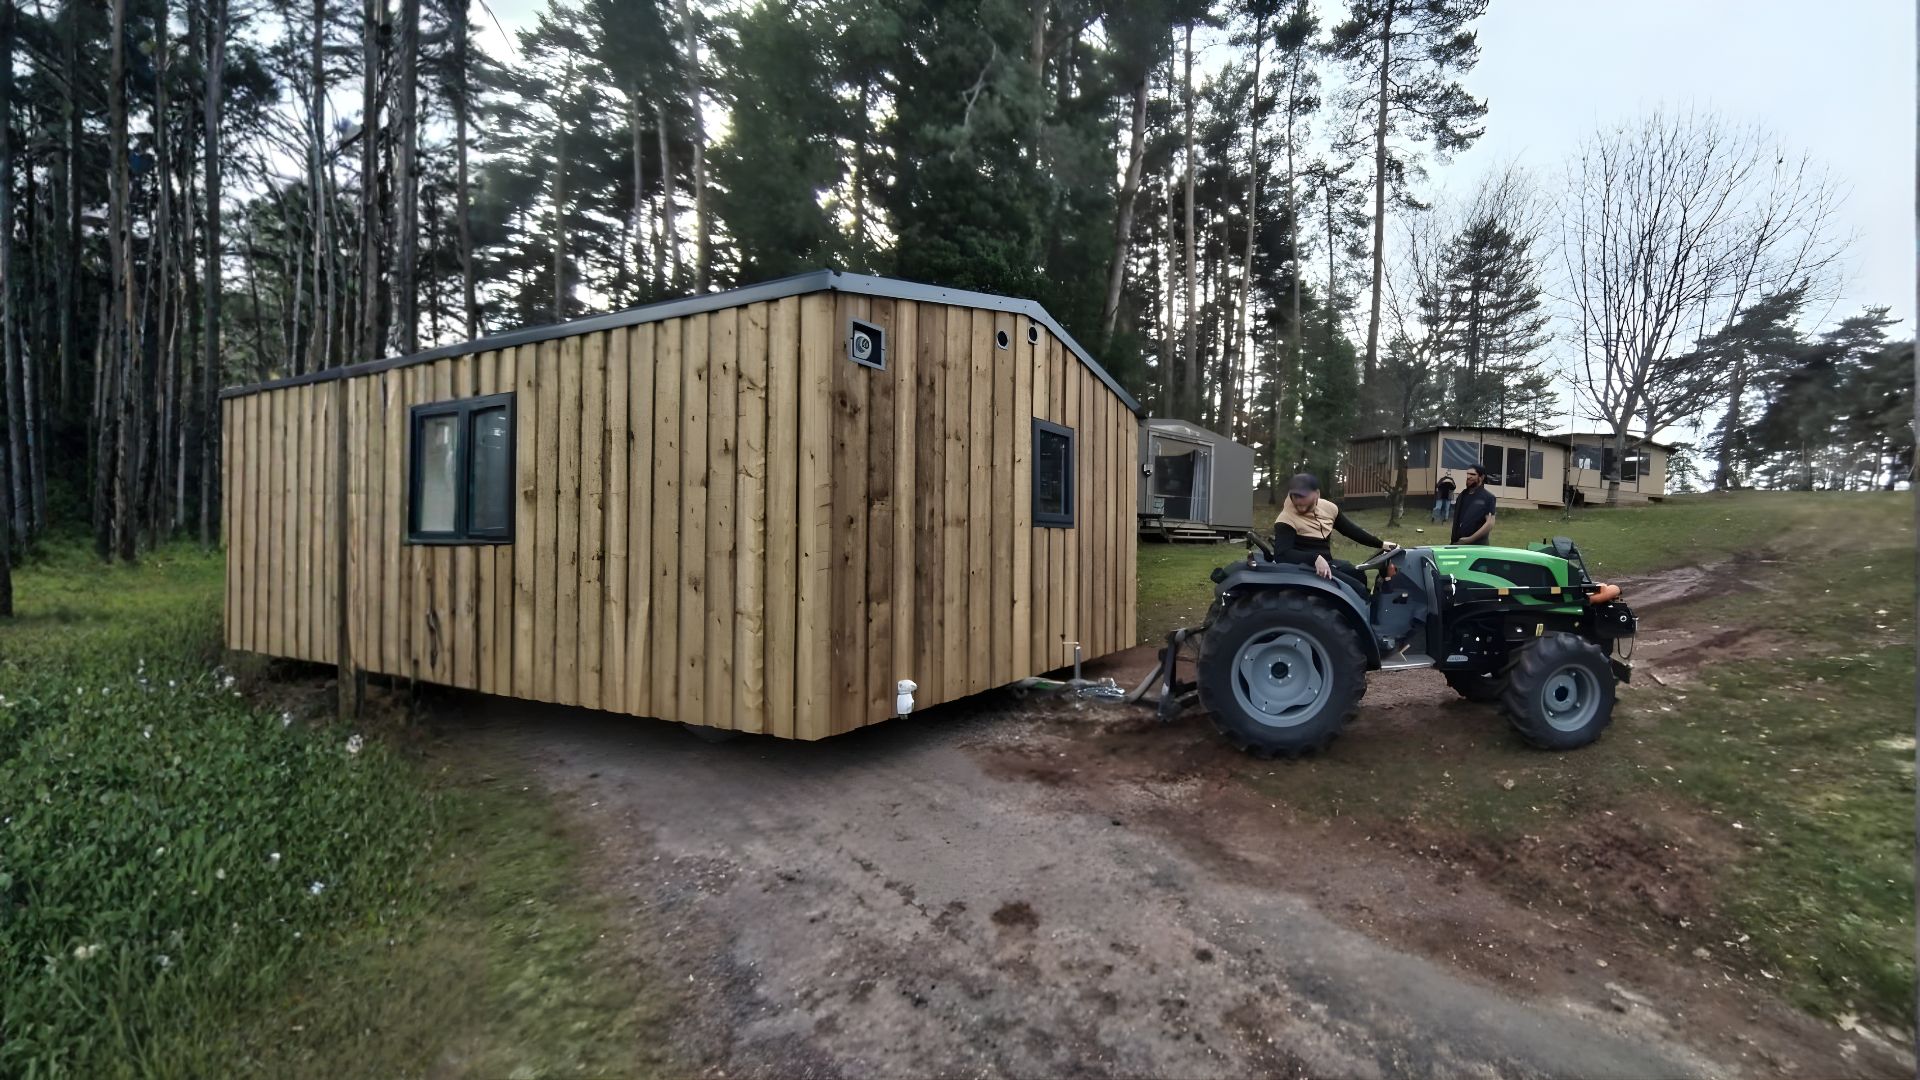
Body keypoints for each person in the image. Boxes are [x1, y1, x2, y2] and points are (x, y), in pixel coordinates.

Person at [1271, 473, 1396, 597]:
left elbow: (1351, 530)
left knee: (1358, 574)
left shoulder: (1328, 508)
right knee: (1357, 589)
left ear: (1317, 494)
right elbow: (1282, 554)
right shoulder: (1286, 519)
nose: (1298, 502)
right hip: (1305, 568)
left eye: (1303, 496)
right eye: (1295, 496)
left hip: (1327, 563)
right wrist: (1315, 558)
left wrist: (1381, 544)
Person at [1450, 464, 1497, 545]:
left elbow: (1489, 523)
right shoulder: (1462, 495)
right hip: (1457, 544)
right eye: (1467, 474)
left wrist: (1470, 539)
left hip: (1477, 546)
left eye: (1473, 474)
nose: (1469, 477)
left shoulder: (1488, 497)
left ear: (1481, 477)